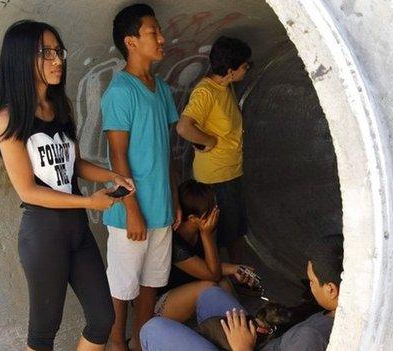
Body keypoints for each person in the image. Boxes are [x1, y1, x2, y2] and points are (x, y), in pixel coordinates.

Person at [0, 20, 134, 351]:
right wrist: (89, 204)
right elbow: (28, 190)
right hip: (44, 235)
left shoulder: (59, 107)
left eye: (58, 51)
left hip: (77, 232)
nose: (58, 60)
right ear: (22, 58)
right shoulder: (8, 118)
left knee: (102, 318)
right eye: (47, 53)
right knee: (42, 335)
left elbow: (72, 165)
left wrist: (110, 175)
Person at [101, 4, 180, 351]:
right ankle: (118, 344)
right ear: (131, 41)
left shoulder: (160, 88)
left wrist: (174, 199)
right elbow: (117, 155)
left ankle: (142, 344)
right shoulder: (121, 91)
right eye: (153, 32)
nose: (162, 38)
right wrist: (132, 208)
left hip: (161, 209)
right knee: (121, 291)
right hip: (129, 214)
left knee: (151, 286)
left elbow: (166, 152)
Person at [139, 234, 344, 351]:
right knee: (209, 294)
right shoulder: (334, 315)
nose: (309, 286)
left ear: (331, 289)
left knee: (152, 329)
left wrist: (242, 347)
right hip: (257, 345)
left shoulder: (311, 338)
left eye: (312, 281)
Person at [176, 36, 252, 263]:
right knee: (221, 233)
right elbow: (183, 127)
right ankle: (222, 280)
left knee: (235, 230)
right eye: (245, 66)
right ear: (230, 70)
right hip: (215, 178)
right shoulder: (206, 92)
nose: (247, 69)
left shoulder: (224, 87)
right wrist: (208, 141)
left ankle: (237, 277)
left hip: (231, 172)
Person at [155, 179, 257, 323]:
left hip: (188, 289)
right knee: (209, 287)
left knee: (224, 283)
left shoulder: (201, 230)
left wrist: (235, 269)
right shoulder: (173, 241)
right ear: (192, 218)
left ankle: (244, 326)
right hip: (160, 304)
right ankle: (244, 328)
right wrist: (207, 235)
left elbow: (208, 266)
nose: (216, 213)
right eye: (211, 211)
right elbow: (212, 274)